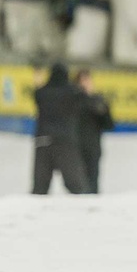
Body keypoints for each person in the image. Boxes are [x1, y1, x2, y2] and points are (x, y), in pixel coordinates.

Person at [32, 62, 91, 194]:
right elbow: (86, 99)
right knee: (76, 185)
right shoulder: (72, 92)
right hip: (65, 141)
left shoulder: (42, 92)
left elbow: (37, 93)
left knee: (40, 187)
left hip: (43, 140)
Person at [74, 69, 114, 193]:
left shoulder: (99, 100)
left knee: (93, 184)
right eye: (83, 80)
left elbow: (109, 125)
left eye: (88, 80)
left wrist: (103, 111)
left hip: (93, 147)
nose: (86, 83)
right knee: (78, 184)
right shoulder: (73, 101)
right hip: (76, 146)